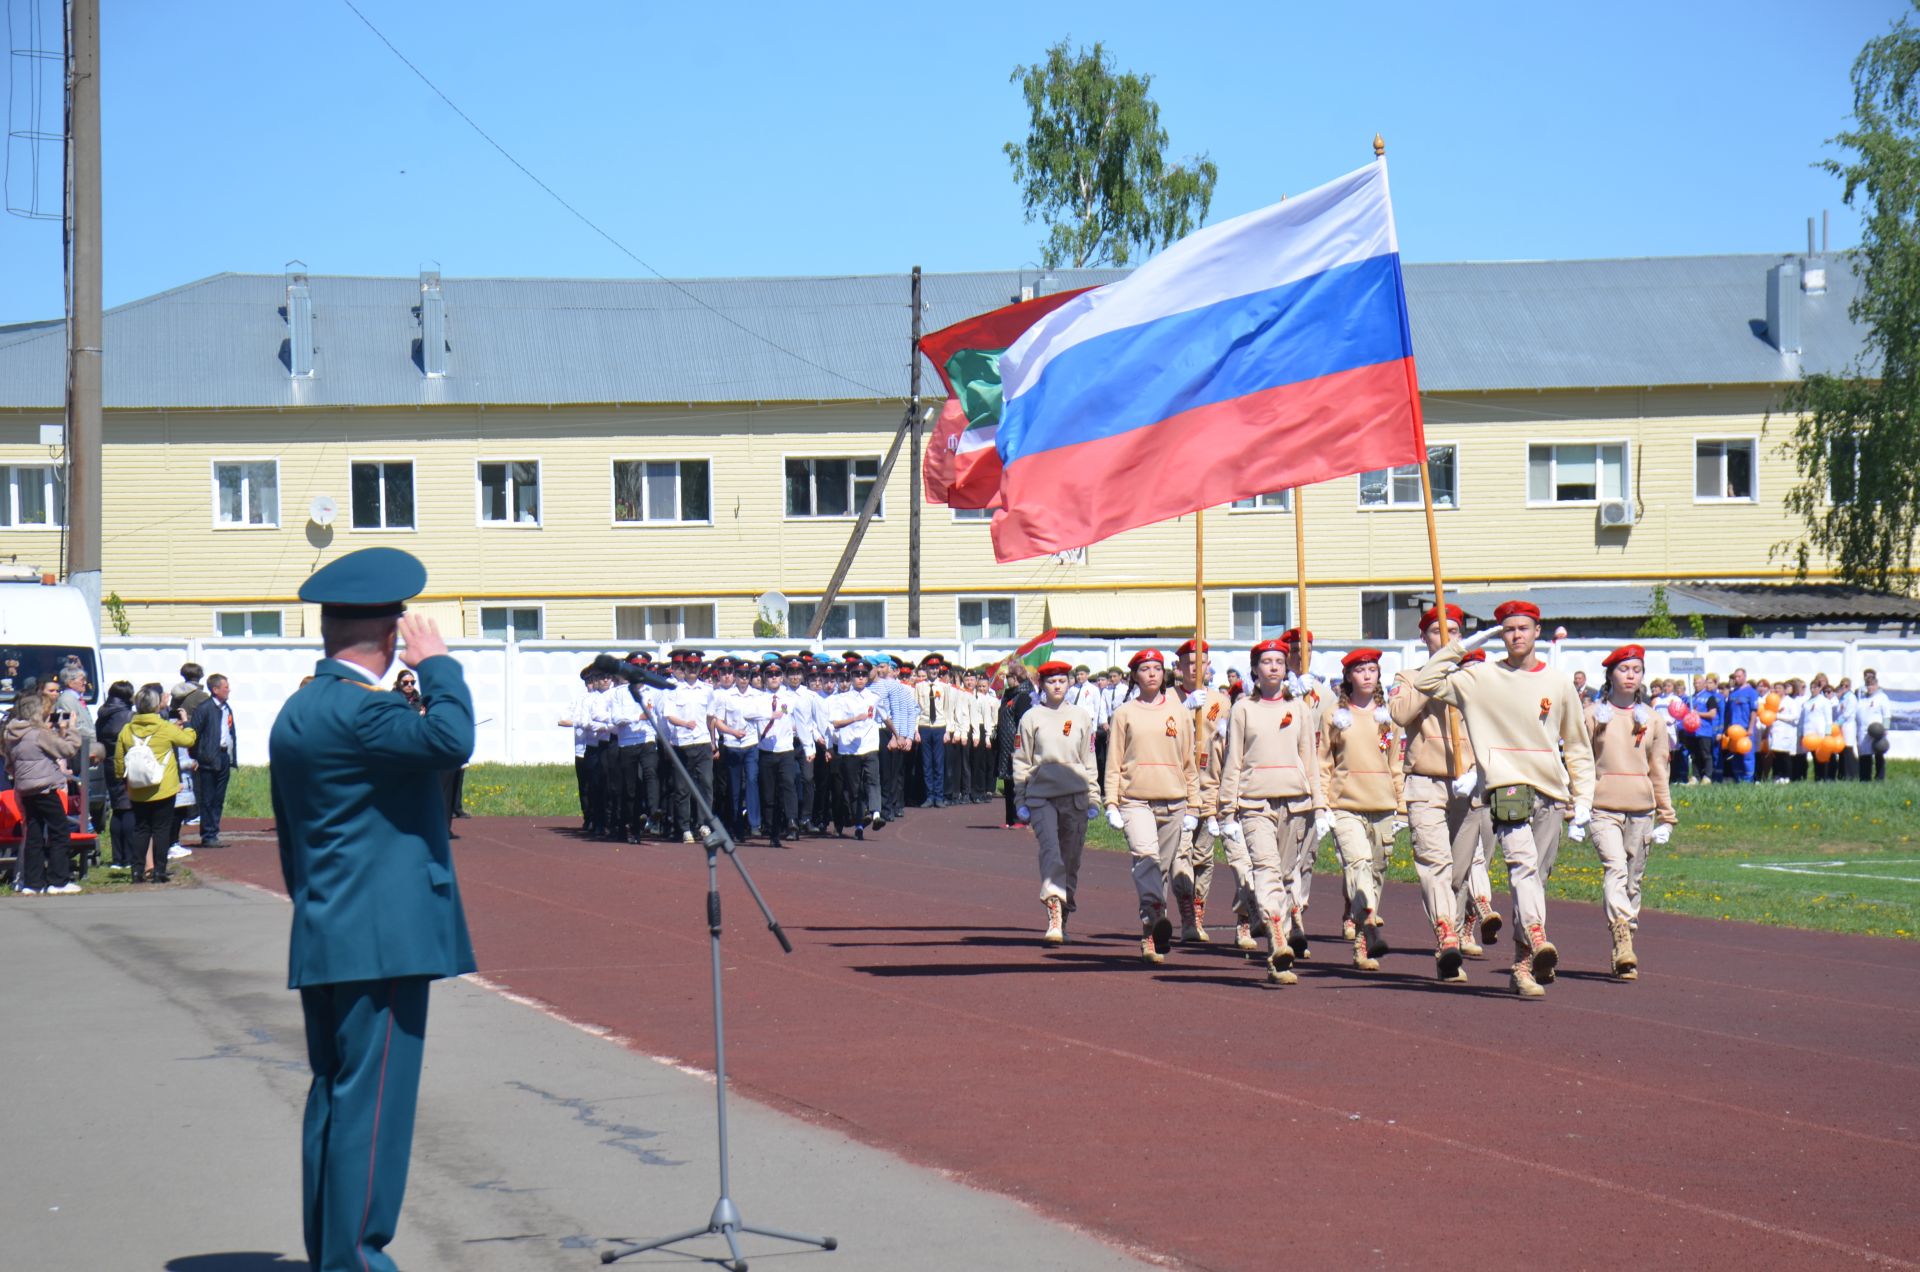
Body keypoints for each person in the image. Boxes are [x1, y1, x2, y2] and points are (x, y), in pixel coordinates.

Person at [269, 547, 473, 1272]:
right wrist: (441, 665)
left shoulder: (301, 709)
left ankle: (334, 1254)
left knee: (337, 1099)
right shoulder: (365, 712)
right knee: (374, 1108)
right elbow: (453, 740)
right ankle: (358, 1259)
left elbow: (294, 840)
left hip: (331, 927)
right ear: (392, 635)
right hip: (383, 938)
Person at [1410, 600, 1594, 1000]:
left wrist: (1583, 798)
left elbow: (1577, 745)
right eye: (1507, 629)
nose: (1516, 636)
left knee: (1536, 880)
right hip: (1507, 786)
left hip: (1550, 789)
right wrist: (1463, 644)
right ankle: (1539, 936)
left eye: (1523, 628)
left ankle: (1523, 963)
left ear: (1537, 632)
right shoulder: (1480, 678)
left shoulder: (1559, 683)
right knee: (1522, 868)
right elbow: (1427, 681)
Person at [1391, 605, 1491, 983]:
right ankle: (1446, 935)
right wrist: (1435, 674)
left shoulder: (1476, 677)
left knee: (1460, 870)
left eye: (1453, 631)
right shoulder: (1409, 676)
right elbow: (1400, 714)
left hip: (1468, 782)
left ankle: (1457, 920)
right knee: (1434, 863)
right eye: (1437, 632)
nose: (1446, 638)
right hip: (1426, 781)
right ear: (1424, 638)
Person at [1217, 638, 1321, 984]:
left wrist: (1319, 805)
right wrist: (1226, 810)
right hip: (1254, 803)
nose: (1274, 666)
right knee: (1266, 869)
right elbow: (1233, 760)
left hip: (1296, 803)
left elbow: (1310, 759)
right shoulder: (1243, 709)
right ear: (1255, 669)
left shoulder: (1301, 710)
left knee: (1287, 874)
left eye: (1279, 661)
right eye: (1267, 661)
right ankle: (1277, 933)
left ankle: (1279, 958)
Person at [1102, 648, 1201, 965]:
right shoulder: (1124, 713)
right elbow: (1114, 761)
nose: (1152, 674)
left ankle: (1150, 932)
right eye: (1145, 669)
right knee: (1146, 858)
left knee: (1160, 869)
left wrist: (1194, 806)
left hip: (1174, 800)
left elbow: (1189, 762)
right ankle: (1156, 912)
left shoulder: (1180, 712)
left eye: (1157, 668)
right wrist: (1112, 802)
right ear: (1135, 675)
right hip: (1136, 800)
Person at [1585, 645, 1676, 980]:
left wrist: (1666, 815)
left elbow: (1659, 768)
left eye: (1636, 669)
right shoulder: (1593, 714)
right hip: (1603, 807)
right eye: (1624, 669)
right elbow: (1579, 762)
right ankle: (1621, 933)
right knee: (1615, 869)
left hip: (1641, 809)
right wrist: (1575, 807)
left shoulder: (1652, 719)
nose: (1630, 675)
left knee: (1634, 880)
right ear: (1610, 675)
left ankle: (1624, 945)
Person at [1320, 649, 1405, 973]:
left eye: (1372, 669)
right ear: (1349, 677)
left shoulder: (1388, 717)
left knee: (1377, 871)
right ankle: (1367, 926)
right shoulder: (1334, 716)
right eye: (1361, 670)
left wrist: (1401, 806)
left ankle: (1363, 935)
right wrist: (1323, 805)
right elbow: (1324, 762)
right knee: (1358, 864)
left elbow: (1396, 763)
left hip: (1383, 805)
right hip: (1346, 806)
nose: (1368, 675)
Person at [1012, 660, 1100, 944]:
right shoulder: (1031, 717)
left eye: (1062, 680)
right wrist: (1021, 798)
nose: (1057, 685)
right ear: (1042, 685)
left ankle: (1064, 909)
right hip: (1042, 798)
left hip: (1075, 796)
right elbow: (1022, 760)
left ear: (1070, 682)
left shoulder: (1082, 717)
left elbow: (1089, 760)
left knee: (1070, 859)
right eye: (1051, 681)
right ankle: (1053, 913)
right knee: (1051, 852)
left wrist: (1094, 796)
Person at [1173, 638, 1232, 943]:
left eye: (1202, 663)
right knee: (1180, 854)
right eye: (1191, 663)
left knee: (1203, 856)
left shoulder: (1221, 702)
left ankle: (1198, 910)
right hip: (1178, 787)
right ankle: (1185, 915)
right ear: (1179, 667)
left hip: (1210, 785)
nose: (1197, 669)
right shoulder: (1168, 699)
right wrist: (1184, 711)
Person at [113, 684, 198, 884]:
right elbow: (188, 741)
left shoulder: (127, 729)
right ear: (155, 706)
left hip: (137, 787)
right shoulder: (165, 727)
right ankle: (160, 870)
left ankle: (137, 870)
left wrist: (121, 778)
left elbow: (118, 758)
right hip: (163, 787)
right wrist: (187, 724)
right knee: (161, 829)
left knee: (141, 829)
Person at [4, 691, 83, 894]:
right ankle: (58, 880)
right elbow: (67, 750)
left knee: (34, 834)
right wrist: (70, 730)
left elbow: (9, 764)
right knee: (59, 831)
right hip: (45, 788)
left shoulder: (11, 734)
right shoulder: (39, 734)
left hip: (25, 788)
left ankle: (33, 883)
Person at [825, 661, 884, 838]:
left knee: (873, 780)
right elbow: (835, 723)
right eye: (857, 675)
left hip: (869, 746)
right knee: (854, 789)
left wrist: (898, 734)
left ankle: (876, 813)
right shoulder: (841, 699)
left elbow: (884, 716)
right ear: (851, 677)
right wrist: (854, 719)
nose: (860, 678)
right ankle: (859, 822)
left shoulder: (873, 697)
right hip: (849, 750)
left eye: (863, 675)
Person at [190, 673, 239, 846]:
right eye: (225, 687)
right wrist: (196, 756)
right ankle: (208, 835)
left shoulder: (226, 709)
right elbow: (193, 734)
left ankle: (214, 832)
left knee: (219, 797)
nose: (229, 690)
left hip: (224, 756)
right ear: (215, 689)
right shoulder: (204, 708)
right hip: (208, 758)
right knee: (208, 798)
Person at [94, 680, 136, 871]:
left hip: (108, 762)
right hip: (125, 762)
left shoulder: (103, 713)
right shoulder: (127, 715)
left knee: (118, 808)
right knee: (128, 807)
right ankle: (128, 856)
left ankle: (118, 857)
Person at [914, 655, 950, 807]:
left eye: (936, 668)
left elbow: (948, 709)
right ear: (926, 669)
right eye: (931, 668)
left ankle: (939, 796)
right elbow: (916, 709)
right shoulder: (919, 687)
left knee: (938, 763)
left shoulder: (944, 687)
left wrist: (948, 731)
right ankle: (929, 796)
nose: (934, 670)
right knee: (927, 763)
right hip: (924, 726)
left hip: (939, 726)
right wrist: (916, 730)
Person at [1722, 669, 1759, 783]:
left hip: (1745, 729)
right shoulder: (1733, 693)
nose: (1737, 679)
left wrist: (1751, 728)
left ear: (1744, 676)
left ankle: (1748, 780)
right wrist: (1726, 729)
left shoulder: (1751, 692)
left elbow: (1754, 711)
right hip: (1734, 730)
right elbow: (1728, 712)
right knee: (1735, 755)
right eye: (1735, 677)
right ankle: (1738, 780)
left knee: (1747, 755)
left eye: (1739, 676)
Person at [1856, 670, 1892, 782]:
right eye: (1868, 685)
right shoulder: (1862, 699)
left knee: (1878, 754)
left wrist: (1885, 728)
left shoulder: (1882, 697)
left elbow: (1887, 714)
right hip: (1863, 731)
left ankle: (1879, 778)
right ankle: (1865, 779)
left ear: (1876, 685)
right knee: (1865, 755)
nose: (1870, 687)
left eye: (1872, 685)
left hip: (1877, 731)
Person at [1688, 674, 1723, 783]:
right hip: (1693, 731)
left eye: (1699, 683)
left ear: (1703, 684)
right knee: (1695, 755)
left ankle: (1707, 776)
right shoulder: (1691, 698)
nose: (1696, 685)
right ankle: (1695, 776)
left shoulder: (1709, 697)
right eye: (1695, 683)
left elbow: (1712, 714)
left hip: (1704, 730)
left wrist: (1698, 713)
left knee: (1706, 754)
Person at [1768, 679, 1803, 784]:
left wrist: (1778, 716)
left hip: (1786, 732)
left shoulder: (1790, 702)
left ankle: (1787, 776)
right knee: (1776, 755)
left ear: (1784, 690)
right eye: (1775, 688)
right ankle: (1777, 775)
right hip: (1775, 732)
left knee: (1785, 756)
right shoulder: (1773, 701)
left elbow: (1795, 716)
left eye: (1779, 688)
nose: (1776, 690)